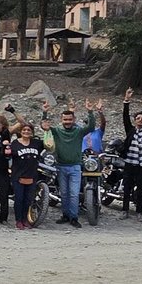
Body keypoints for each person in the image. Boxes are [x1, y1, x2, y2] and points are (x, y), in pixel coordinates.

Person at [39, 96, 99, 228]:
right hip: (60, 166)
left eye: (70, 119)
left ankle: (73, 217)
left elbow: (91, 127)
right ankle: (65, 215)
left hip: (75, 167)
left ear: (74, 120)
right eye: (65, 119)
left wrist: (90, 112)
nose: (67, 122)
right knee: (64, 194)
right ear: (61, 120)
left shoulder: (78, 131)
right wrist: (45, 112)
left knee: (74, 194)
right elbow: (44, 127)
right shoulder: (57, 131)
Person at [117, 89, 142, 216]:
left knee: (141, 188)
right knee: (127, 188)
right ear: (135, 121)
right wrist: (126, 101)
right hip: (129, 163)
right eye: (138, 118)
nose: (140, 120)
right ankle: (125, 210)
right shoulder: (130, 130)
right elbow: (125, 118)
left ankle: (139, 211)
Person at [8, 120, 47, 229]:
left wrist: (46, 129)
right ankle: (18, 220)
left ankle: (25, 219)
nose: (26, 131)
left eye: (29, 130)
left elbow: (49, 144)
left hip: (32, 175)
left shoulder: (37, 143)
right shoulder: (15, 143)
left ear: (32, 132)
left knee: (28, 199)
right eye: (24, 130)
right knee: (19, 199)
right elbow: (7, 155)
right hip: (18, 175)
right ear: (20, 131)